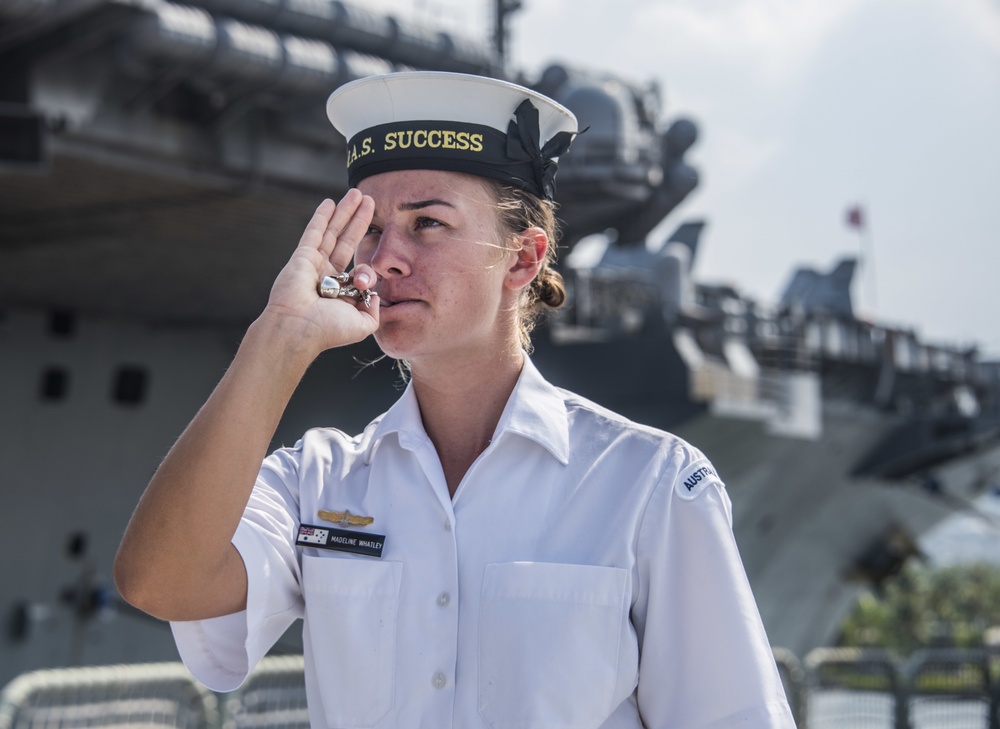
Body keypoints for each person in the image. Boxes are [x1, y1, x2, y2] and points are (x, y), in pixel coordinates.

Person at [114, 71, 795, 729]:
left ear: (524, 259)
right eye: (371, 231)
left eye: (428, 224)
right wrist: (278, 339)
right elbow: (160, 581)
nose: (385, 261)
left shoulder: (650, 485)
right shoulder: (317, 481)